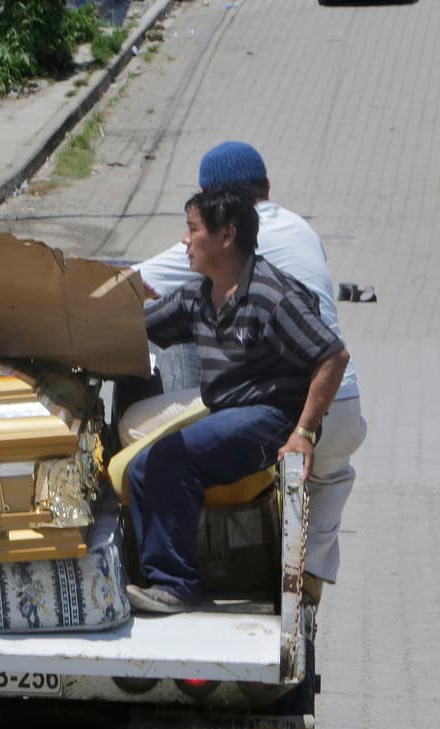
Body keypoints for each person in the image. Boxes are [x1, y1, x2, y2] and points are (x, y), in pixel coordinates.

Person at [130, 141, 366, 601]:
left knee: (169, 458)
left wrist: (301, 432)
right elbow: (139, 322)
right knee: (145, 466)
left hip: (283, 412)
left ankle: (179, 585)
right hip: (328, 410)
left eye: (191, 229)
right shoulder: (208, 290)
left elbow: (332, 355)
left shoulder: (269, 294)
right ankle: (298, 584)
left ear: (225, 232)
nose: (184, 241)